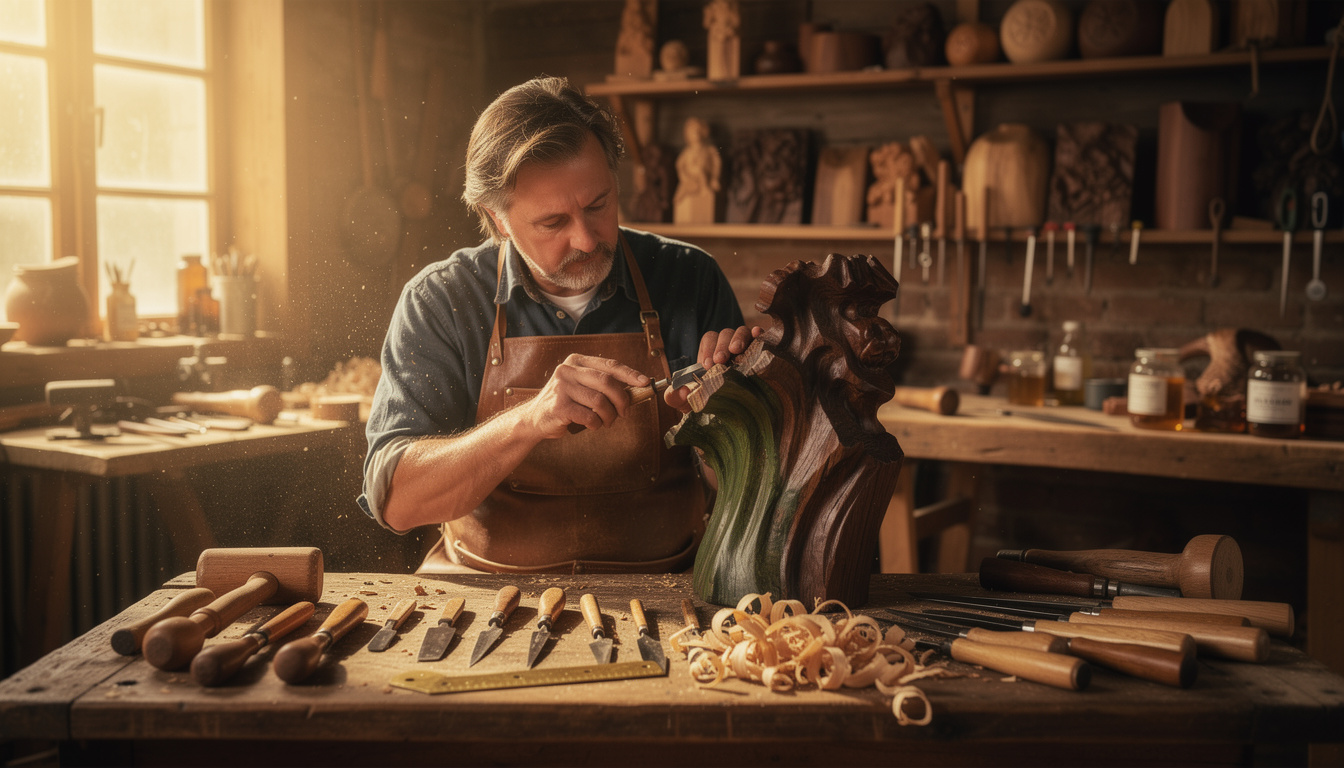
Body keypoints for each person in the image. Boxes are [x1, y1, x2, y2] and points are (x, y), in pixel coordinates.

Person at [358, 76, 759, 574]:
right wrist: (528, 421)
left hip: (668, 578)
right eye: (553, 223)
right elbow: (396, 502)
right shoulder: (442, 300)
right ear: (497, 217)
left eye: (599, 205)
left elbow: (752, 494)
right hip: (487, 587)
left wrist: (726, 426)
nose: (588, 241)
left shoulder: (690, 278)